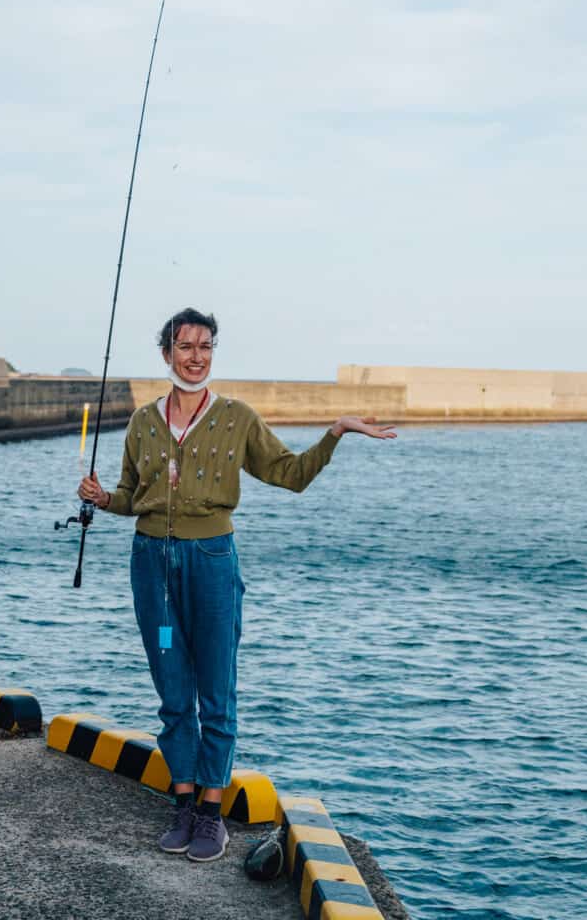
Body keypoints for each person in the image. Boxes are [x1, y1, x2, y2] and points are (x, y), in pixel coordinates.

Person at [78, 307, 396, 863]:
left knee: (216, 692)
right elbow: (132, 496)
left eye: (205, 346)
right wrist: (103, 499)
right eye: (185, 346)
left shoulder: (237, 418)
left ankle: (211, 812)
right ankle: (182, 801)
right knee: (173, 688)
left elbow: (291, 475)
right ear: (166, 354)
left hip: (212, 566)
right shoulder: (142, 423)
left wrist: (336, 432)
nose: (195, 356)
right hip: (153, 569)